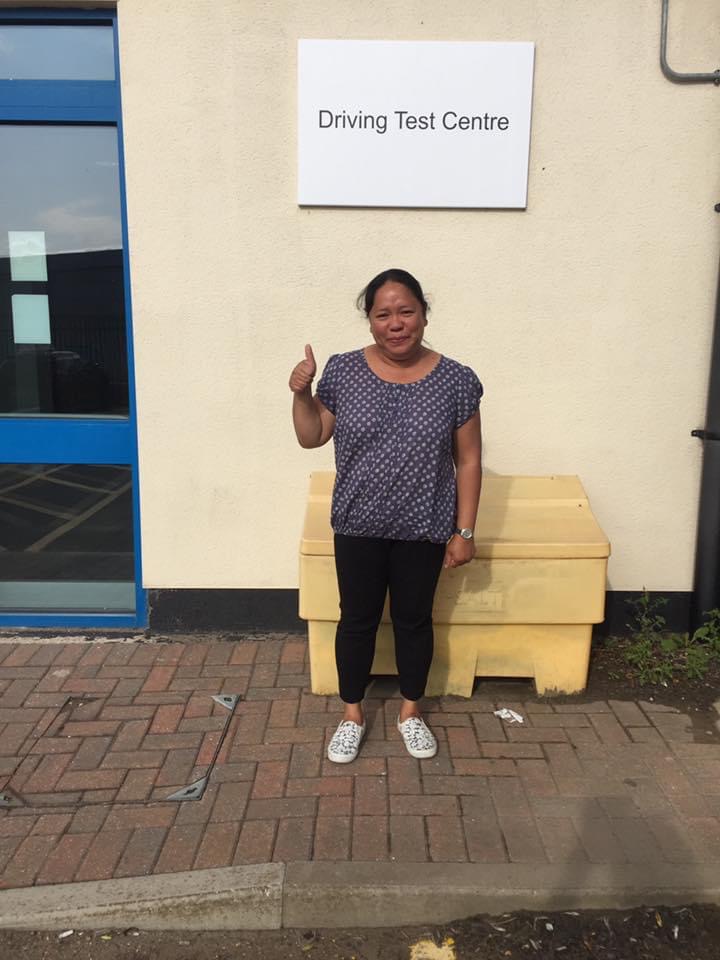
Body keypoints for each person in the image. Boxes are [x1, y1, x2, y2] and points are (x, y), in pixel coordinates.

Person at [289, 269, 483, 763]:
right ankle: (352, 715)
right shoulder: (344, 371)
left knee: (414, 621)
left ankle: (410, 713)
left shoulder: (456, 381)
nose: (396, 324)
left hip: (424, 526)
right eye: (383, 315)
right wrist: (301, 394)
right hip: (358, 524)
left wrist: (464, 531)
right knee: (356, 620)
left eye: (406, 312)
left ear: (424, 315)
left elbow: (468, 460)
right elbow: (312, 436)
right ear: (371, 321)